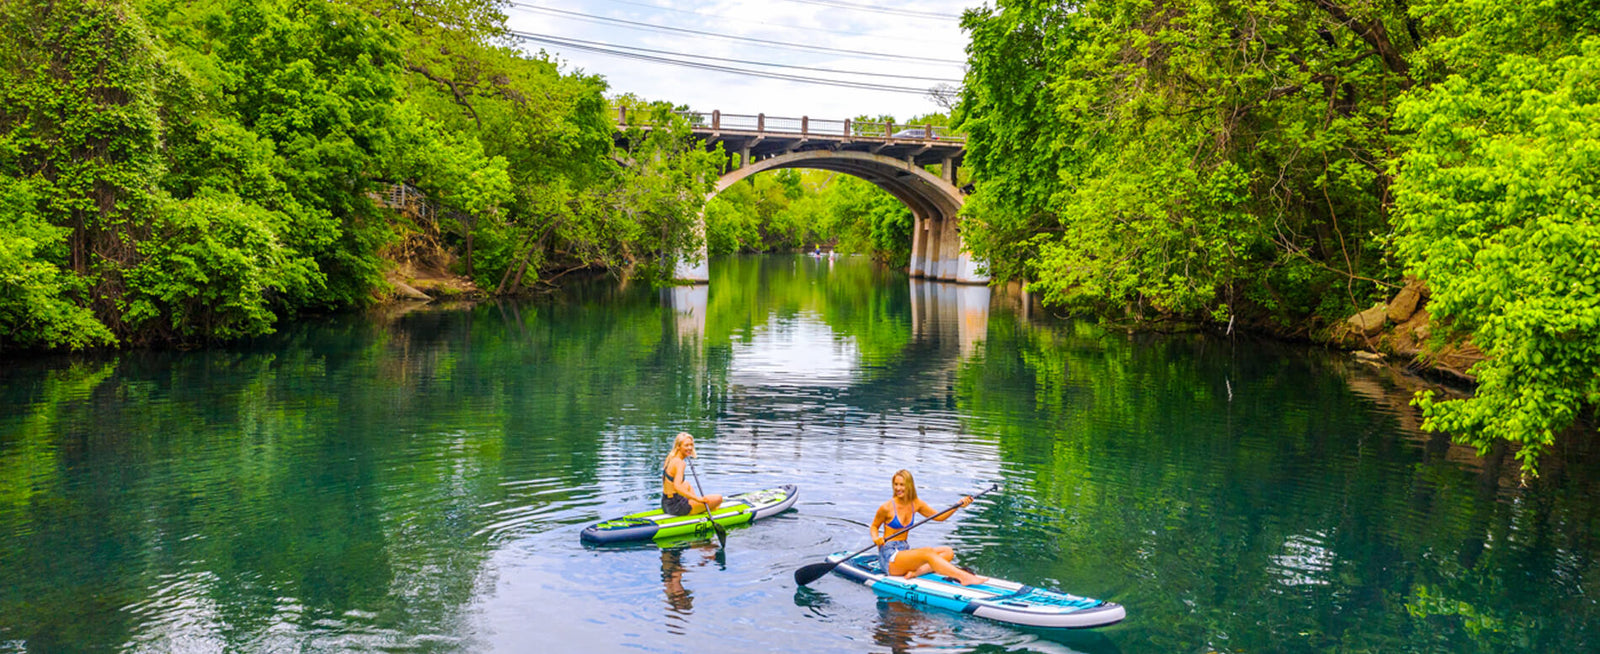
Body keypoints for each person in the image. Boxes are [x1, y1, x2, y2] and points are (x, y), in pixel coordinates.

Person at [871, 469, 986, 585]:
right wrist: (876, 538)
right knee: (927, 552)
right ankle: (964, 577)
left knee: (948, 552)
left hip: (903, 550)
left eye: (902, 485)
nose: (898, 488)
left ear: (909, 485)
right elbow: (874, 527)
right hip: (889, 556)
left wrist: (957, 505)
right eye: (895, 484)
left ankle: (915, 573)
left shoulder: (915, 503)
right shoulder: (887, 507)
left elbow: (939, 517)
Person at [661, 432, 723, 516]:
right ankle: (696, 508)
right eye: (686, 445)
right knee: (719, 498)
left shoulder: (670, 457)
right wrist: (698, 499)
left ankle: (695, 505)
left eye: (691, 445)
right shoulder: (680, 463)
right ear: (678, 446)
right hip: (676, 507)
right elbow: (677, 487)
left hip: (666, 503)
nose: (690, 448)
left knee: (686, 484)